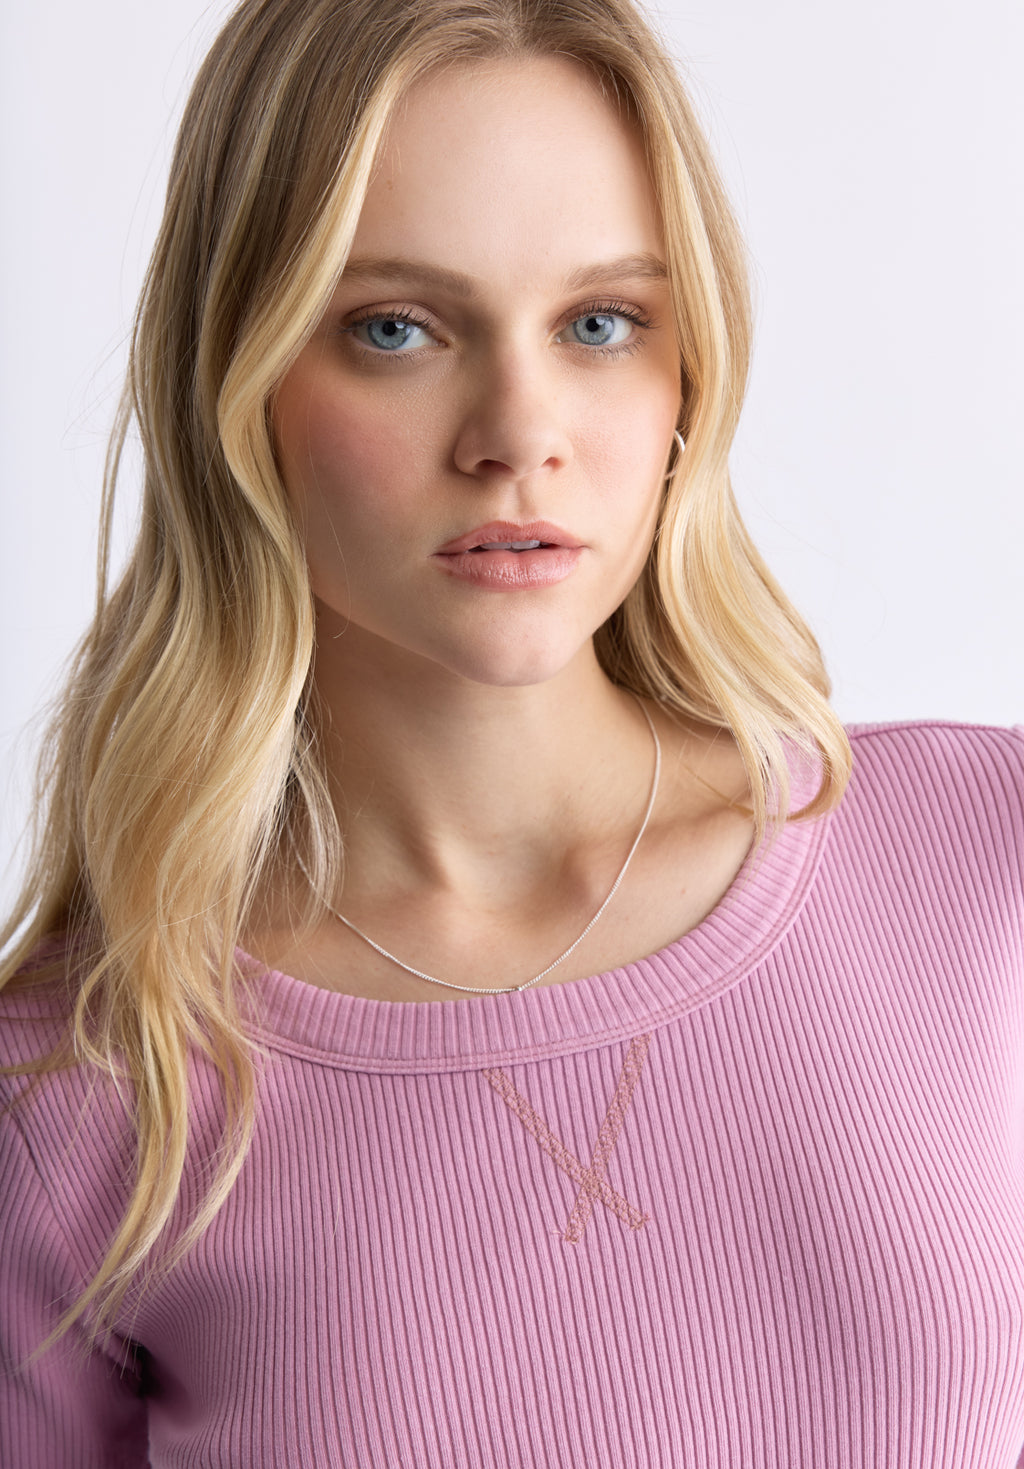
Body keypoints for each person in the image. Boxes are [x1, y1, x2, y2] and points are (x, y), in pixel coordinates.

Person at [1, 0, 1021, 1463]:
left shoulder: (986, 863)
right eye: (396, 329)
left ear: (687, 373)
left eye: (600, 323)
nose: (517, 435)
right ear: (238, 379)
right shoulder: (83, 1087)